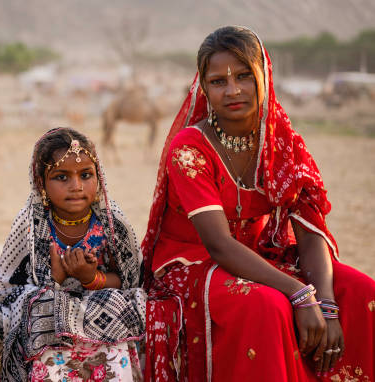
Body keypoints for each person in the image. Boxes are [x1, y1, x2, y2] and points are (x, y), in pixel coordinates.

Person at [141, 26, 375, 382]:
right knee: (267, 306)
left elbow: (310, 232)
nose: (233, 90)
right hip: (193, 263)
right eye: (218, 81)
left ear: (264, 75)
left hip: (260, 254)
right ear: (204, 88)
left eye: (244, 76)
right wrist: (299, 293)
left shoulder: (282, 142)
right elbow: (218, 244)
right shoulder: (189, 148)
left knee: (361, 293)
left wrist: (324, 303)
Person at [0, 127, 146, 382]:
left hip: (102, 317)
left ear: (99, 178)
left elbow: (131, 281)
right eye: (62, 177)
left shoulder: (112, 221)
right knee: (43, 307)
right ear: (41, 182)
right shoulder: (31, 223)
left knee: (125, 302)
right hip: (51, 322)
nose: (76, 186)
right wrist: (54, 280)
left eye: (86, 175)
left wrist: (92, 278)